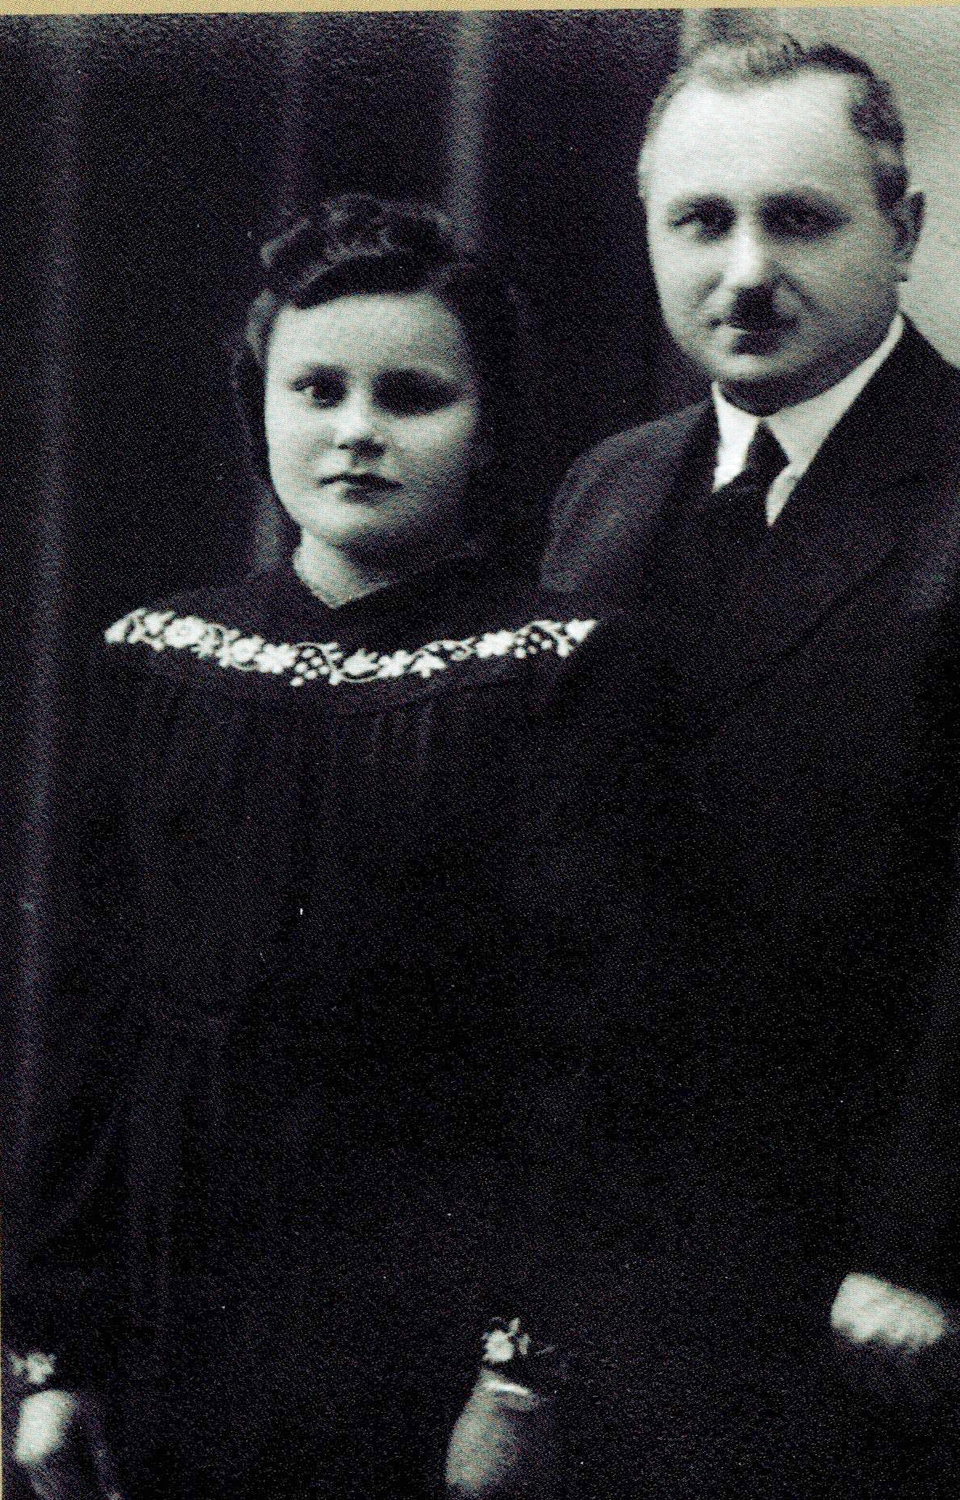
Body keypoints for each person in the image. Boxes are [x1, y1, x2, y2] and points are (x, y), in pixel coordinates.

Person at [441, 35, 960, 1498]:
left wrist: (923, 1250)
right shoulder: (607, 490)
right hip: (624, 1273)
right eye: (699, 222)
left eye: (799, 218)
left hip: (883, 1292)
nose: (745, 271)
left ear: (904, 230)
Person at [2, 194, 594, 1500]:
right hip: (177, 1293)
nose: (356, 430)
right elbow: (87, 1025)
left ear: (489, 423)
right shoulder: (158, 657)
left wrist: (517, 1371)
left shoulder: (559, 666)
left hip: (425, 1308)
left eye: (412, 395)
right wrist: (52, 1357)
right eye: (316, 388)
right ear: (259, 406)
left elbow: (580, 1050)